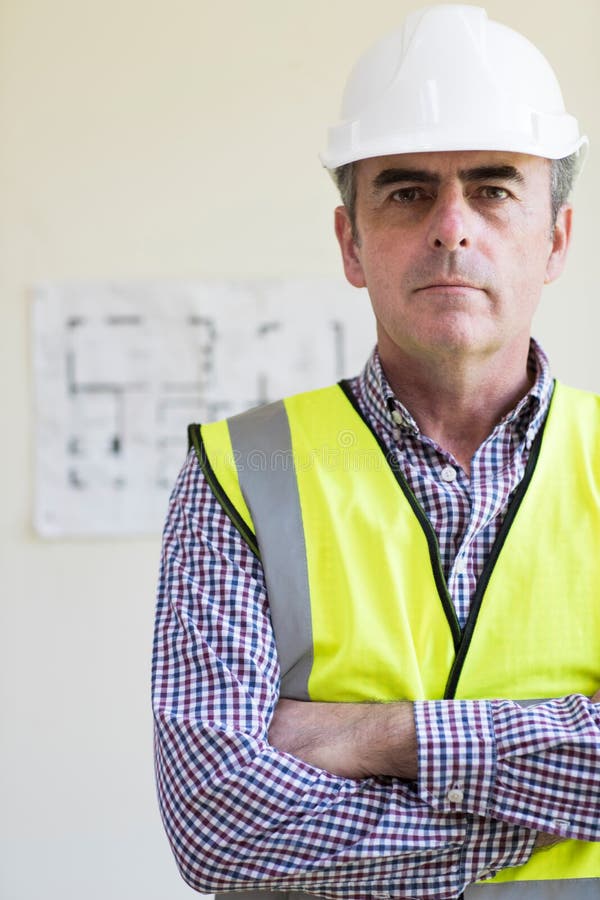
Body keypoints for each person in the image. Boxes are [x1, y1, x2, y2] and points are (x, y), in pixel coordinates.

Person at [152, 5, 600, 898]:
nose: (451, 227)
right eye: (405, 191)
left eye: (494, 187)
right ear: (351, 242)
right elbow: (218, 825)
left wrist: (380, 737)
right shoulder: (244, 471)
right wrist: (536, 810)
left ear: (555, 238)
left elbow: (270, 798)